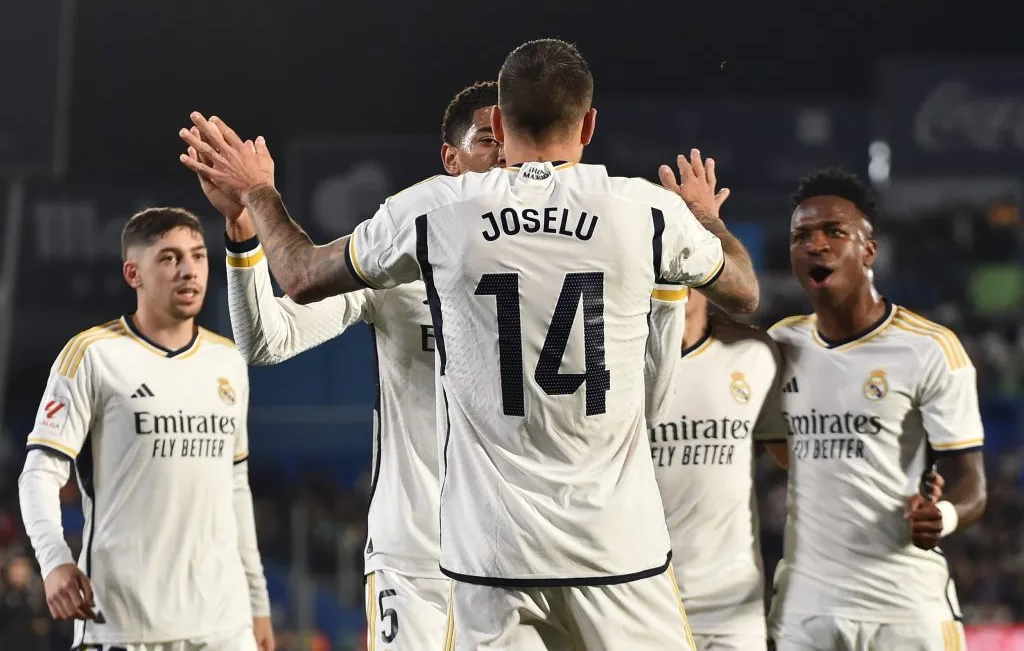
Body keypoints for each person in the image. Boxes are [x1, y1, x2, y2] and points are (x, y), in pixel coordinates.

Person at [179, 38, 759, 650]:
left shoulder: (432, 219)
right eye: (483, 141)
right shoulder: (629, 217)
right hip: (441, 552)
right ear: (450, 160)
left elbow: (301, 272)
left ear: (510, 126)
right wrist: (243, 232)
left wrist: (261, 194)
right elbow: (268, 339)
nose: (500, 154)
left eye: (498, 137)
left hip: (490, 553)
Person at [18, 208, 275, 651]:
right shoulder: (92, 355)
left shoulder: (228, 360)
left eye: (198, 255)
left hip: (224, 624)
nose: (189, 270)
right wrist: (54, 560)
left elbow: (235, 486)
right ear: (133, 273)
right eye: (170, 258)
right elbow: (38, 474)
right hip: (124, 621)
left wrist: (257, 602)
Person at [766, 168, 987, 651]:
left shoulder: (930, 349)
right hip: (806, 609)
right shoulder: (780, 345)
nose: (816, 245)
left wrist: (943, 515)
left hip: (905, 605)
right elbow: (782, 447)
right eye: (802, 236)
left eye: (834, 232)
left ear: (869, 250)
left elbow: (971, 482)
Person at [647, 281, 788, 651]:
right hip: (645, 602)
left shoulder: (753, 354)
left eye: (685, 268)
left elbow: (795, 459)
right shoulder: (617, 365)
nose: (675, 277)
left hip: (734, 608)